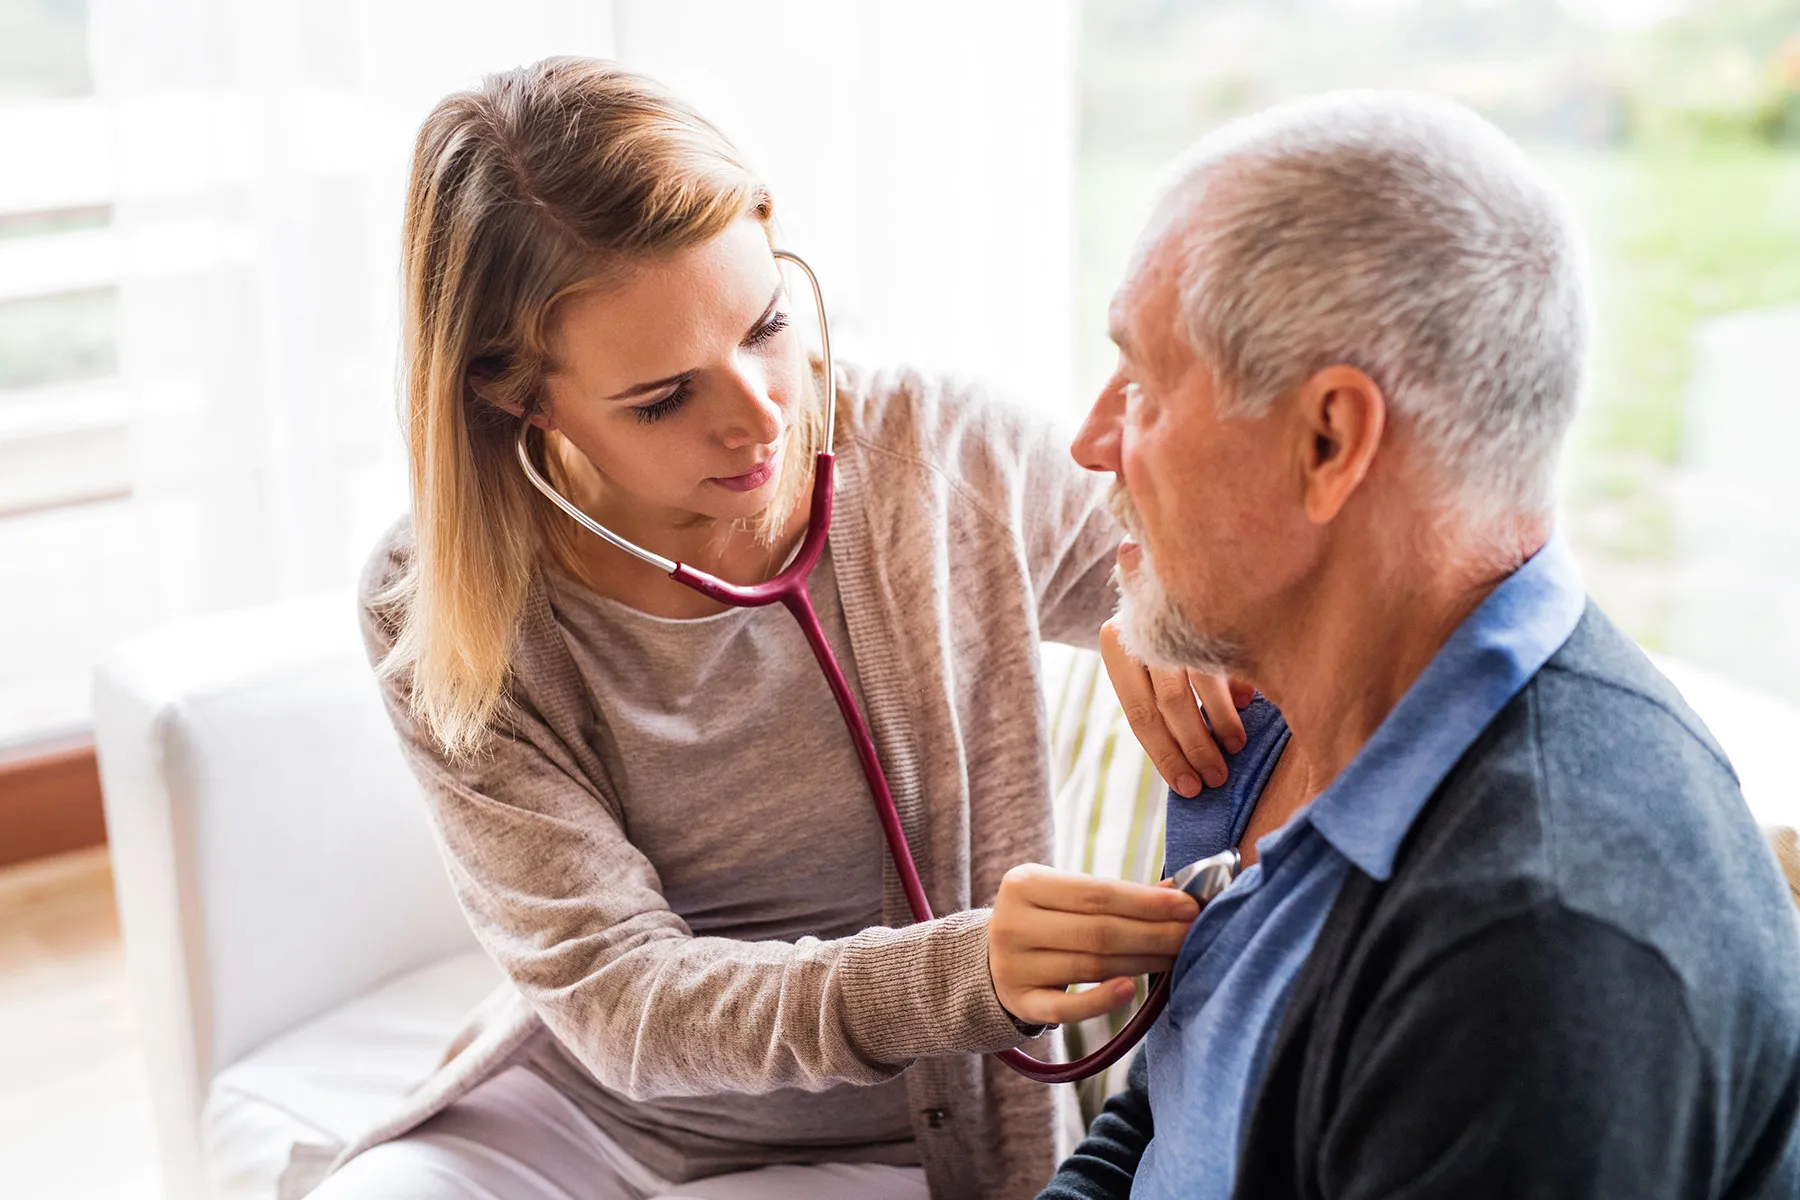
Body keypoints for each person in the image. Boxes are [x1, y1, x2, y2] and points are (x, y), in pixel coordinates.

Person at [302, 57, 1240, 1200]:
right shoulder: (437, 604)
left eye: (766, 325)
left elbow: (1228, 581)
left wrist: (1171, 606)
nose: (759, 414)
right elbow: (618, 998)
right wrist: (960, 973)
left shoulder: (948, 459)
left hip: (890, 1148)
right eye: (662, 399)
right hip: (578, 1129)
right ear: (521, 399)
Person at [1041, 91, 1800, 1198]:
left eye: (1146, 385)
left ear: (1329, 439)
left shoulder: (1536, 960)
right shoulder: (1280, 714)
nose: (1093, 440)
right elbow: (1165, 1123)